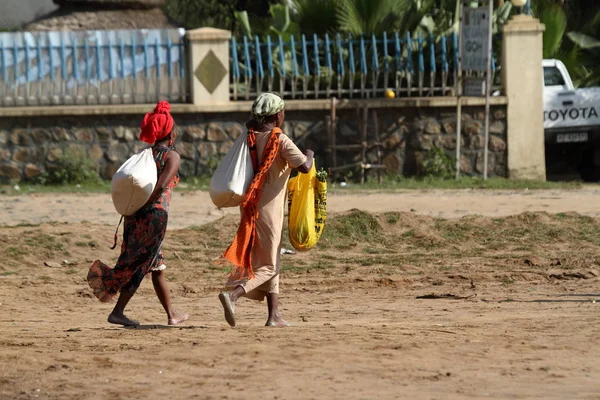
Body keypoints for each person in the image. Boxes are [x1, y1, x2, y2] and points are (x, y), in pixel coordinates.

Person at [87, 101, 188, 327]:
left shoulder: (145, 155)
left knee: (155, 264)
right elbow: (161, 186)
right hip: (153, 217)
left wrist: (138, 206)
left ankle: (171, 314)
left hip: (135, 216)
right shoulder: (172, 156)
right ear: (171, 134)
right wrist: (148, 203)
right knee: (141, 264)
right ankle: (118, 311)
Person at [218, 92, 314, 328]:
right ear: (278, 114)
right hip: (269, 210)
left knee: (272, 259)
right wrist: (311, 153)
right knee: (268, 265)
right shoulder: (280, 140)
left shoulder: (250, 136)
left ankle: (274, 316)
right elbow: (304, 166)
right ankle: (234, 295)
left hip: (250, 206)